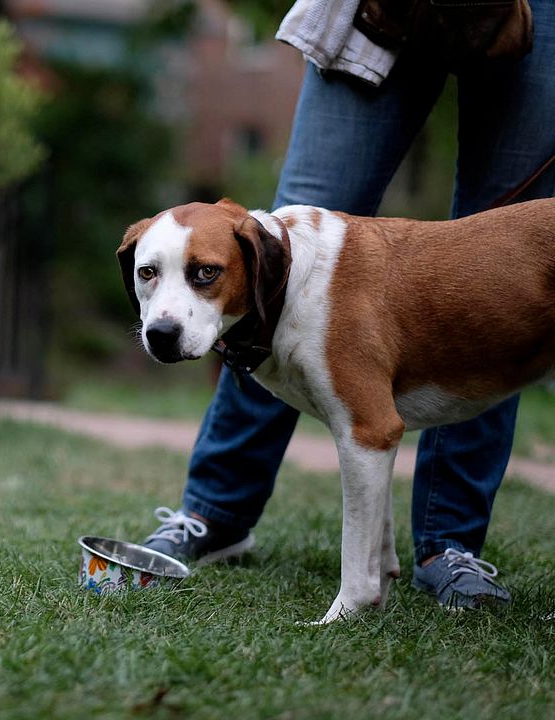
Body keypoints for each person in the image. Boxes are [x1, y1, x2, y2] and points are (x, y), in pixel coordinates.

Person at [142, 0, 554, 608]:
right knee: (287, 235)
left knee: (491, 272)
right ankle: (216, 511)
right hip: (370, 10)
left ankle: (449, 548)